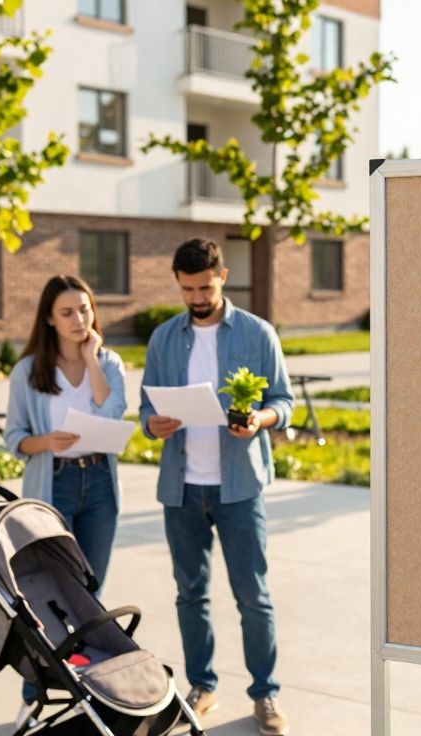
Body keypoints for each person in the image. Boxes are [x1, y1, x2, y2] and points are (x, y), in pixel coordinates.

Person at [138, 238, 294, 736]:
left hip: (239, 488)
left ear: (222, 276)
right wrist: (153, 425)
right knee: (190, 594)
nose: (196, 297)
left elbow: (283, 401)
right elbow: (147, 407)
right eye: (187, 289)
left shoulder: (256, 332)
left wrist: (261, 418)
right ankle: (201, 687)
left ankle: (265, 694)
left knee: (253, 595)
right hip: (182, 487)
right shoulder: (164, 338)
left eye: (204, 286)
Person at [4, 274, 128, 712]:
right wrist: (46, 442)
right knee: (48, 599)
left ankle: (84, 690)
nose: (79, 319)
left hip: (98, 486)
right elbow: (14, 436)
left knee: (90, 596)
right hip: (51, 484)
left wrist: (92, 359)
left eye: (85, 309)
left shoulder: (109, 363)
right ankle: (33, 694)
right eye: (67, 313)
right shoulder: (28, 370)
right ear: (49, 320)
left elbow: (114, 413)